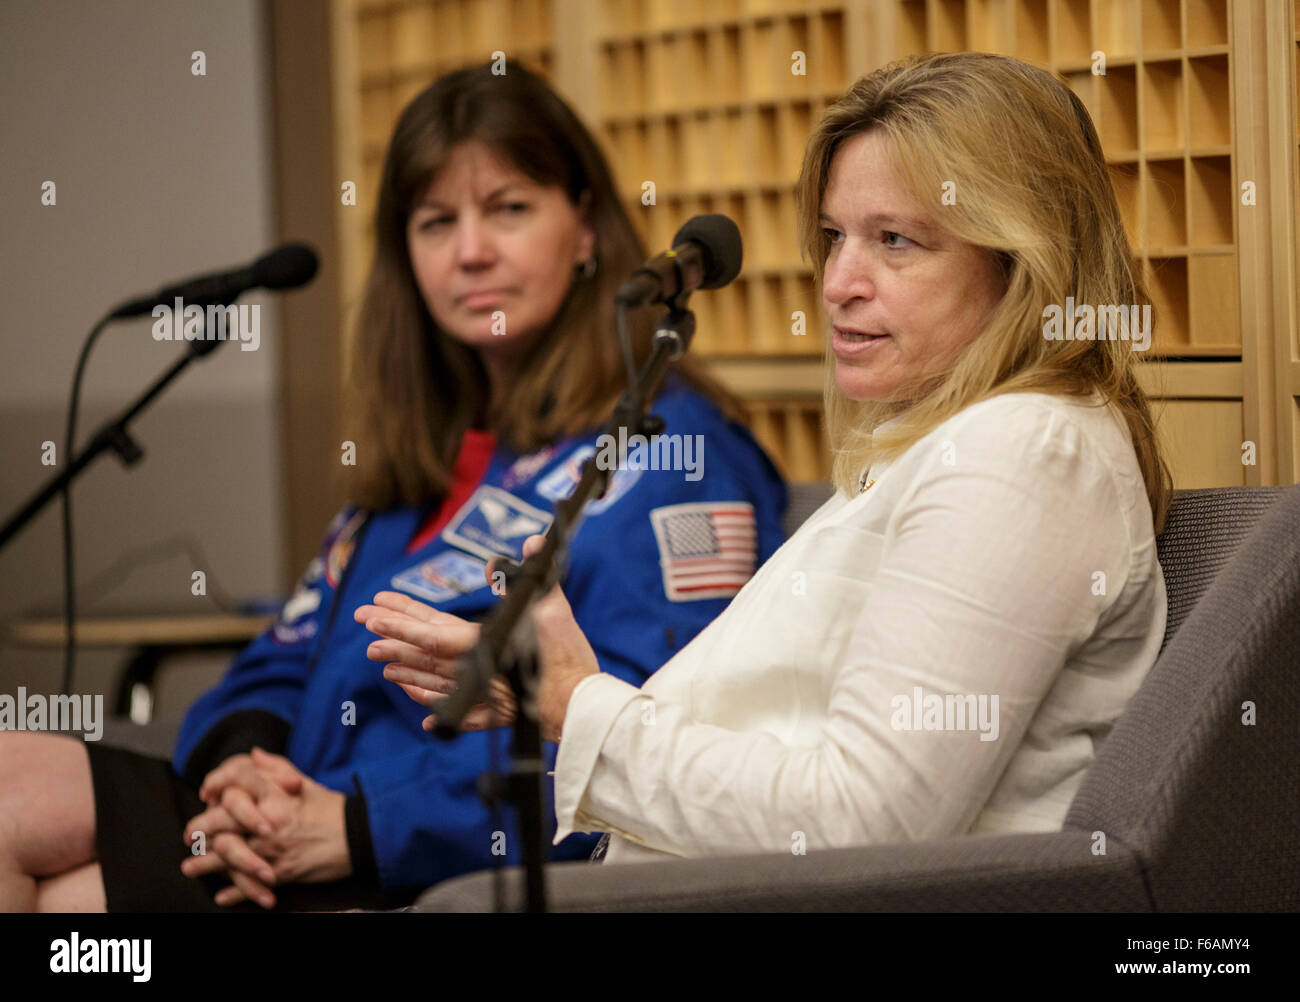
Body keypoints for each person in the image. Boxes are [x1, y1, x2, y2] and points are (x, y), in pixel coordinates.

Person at [0, 63, 785, 912]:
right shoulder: (426, 460)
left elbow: (643, 736)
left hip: (420, 859)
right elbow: (281, 655)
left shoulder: (674, 452)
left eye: (509, 209)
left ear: (587, 228)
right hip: (290, 821)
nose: (471, 250)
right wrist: (238, 770)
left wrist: (356, 826)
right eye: (436, 221)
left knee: (70, 900)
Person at [364, 51, 1172, 866]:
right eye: (833, 237)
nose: (837, 283)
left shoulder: (1026, 454)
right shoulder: (939, 446)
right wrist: (544, 696)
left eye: (895, 240)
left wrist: (579, 706)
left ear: (1022, 262)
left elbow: (864, 825)